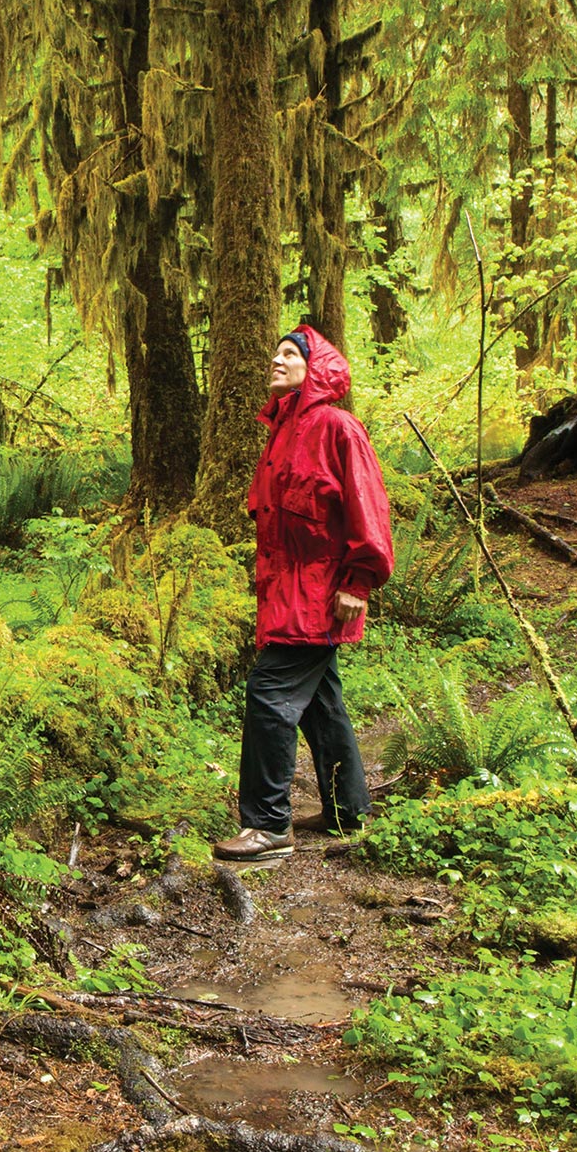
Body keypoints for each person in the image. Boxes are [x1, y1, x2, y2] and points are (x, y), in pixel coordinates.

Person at [214, 326, 394, 863]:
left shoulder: (338, 427)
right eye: (276, 351)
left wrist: (359, 581)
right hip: (285, 590)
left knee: (269, 693)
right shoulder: (283, 432)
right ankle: (347, 809)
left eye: (290, 354)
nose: (276, 359)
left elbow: (368, 507)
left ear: (313, 370)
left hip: (321, 593)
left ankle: (268, 826)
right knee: (320, 701)